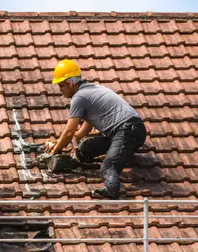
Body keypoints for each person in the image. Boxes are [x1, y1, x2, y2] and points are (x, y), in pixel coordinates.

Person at [43, 59, 147, 200]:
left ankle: (112, 190)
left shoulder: (79, 97)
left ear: (71, 83)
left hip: (127, 131)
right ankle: (78, 160)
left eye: (61, 85)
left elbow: (69, 132)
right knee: (86, 146)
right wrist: (66, 144)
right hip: (131, 131)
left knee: (108, 167)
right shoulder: (93, 90)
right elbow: (82, 131)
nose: (60, 90)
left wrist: (53, 153)